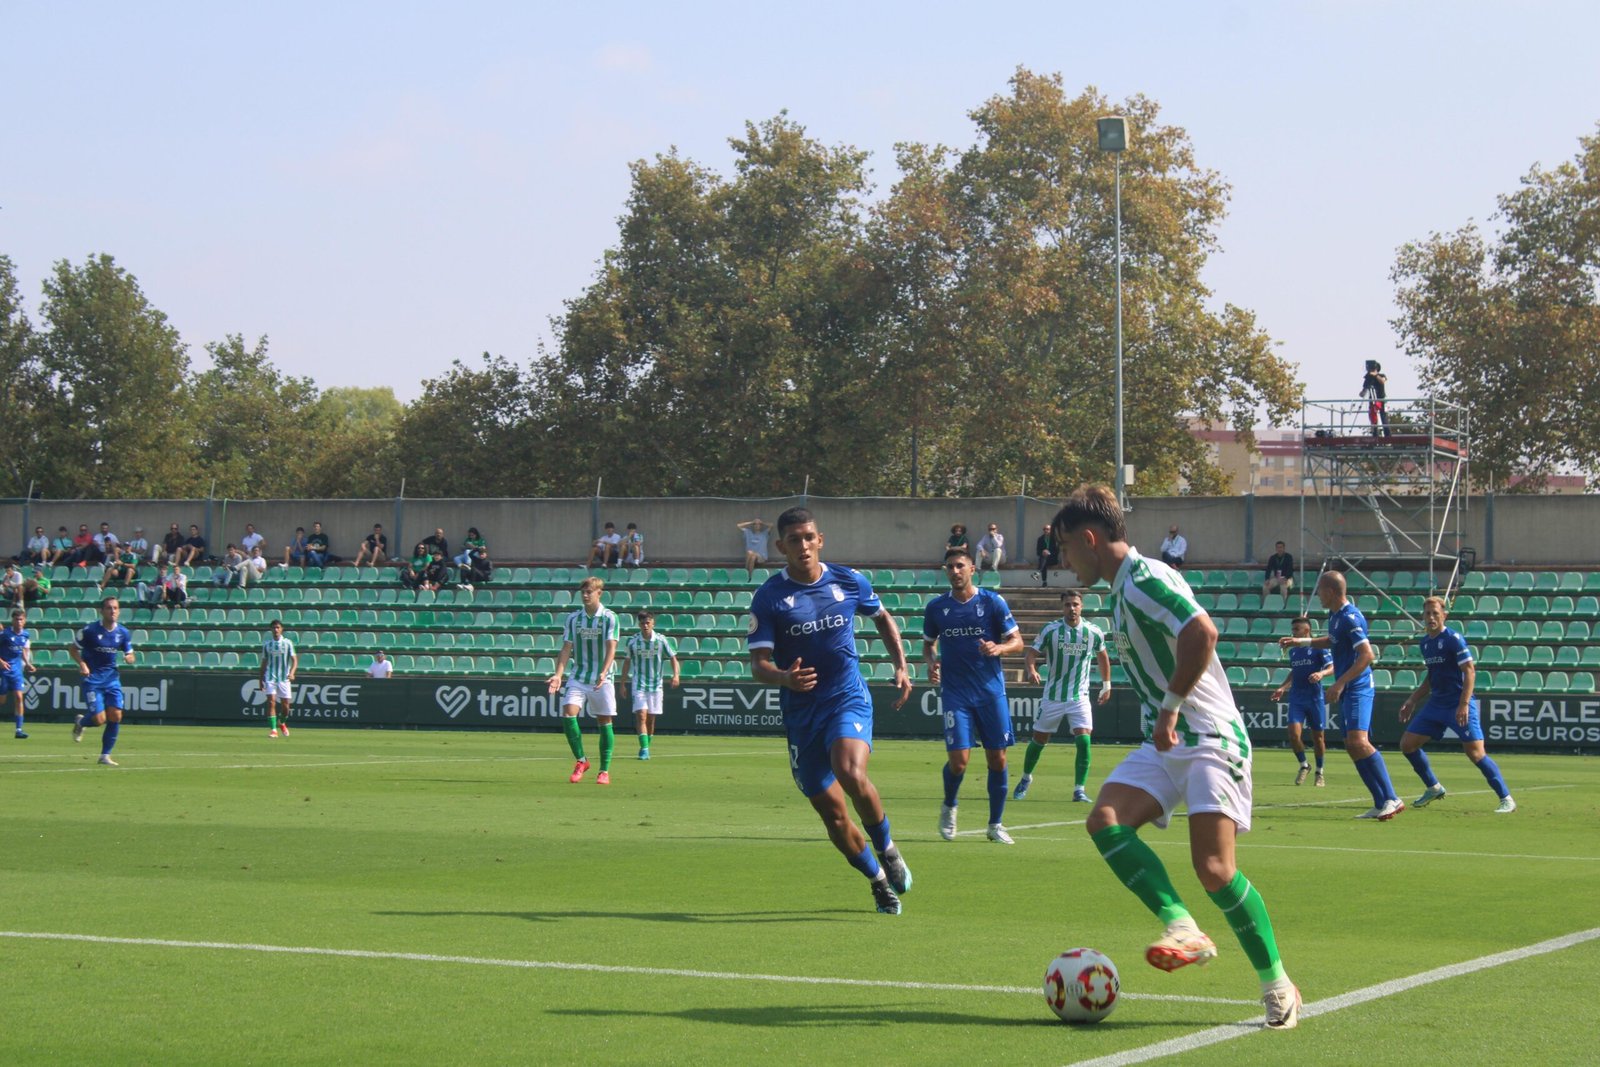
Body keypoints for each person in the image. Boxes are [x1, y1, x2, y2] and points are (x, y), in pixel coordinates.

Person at [1052, 484, 1300, 1030]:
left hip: (1208, 734)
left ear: (1090, 540)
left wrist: (1168, 708)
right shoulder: (1121, 589)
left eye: (1066, 547)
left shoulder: (1144, 580)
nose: (1064, 561)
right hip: (1166, 740)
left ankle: (1276, 983)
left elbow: (1201, 632)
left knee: (1215, 870)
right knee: (1106, 819)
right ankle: (1182, 924)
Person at [747, 507, 914, 915]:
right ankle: (877, 880)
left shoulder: (848, 579)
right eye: (794, 540)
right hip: (802, 715)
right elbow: (759, 664)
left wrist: (901, 665)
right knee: (834, 816)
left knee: (850, 770)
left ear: (820, 539)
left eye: (809, 537)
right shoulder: (769, 597)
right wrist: (785, 678)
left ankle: (888, 848)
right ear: (780, 546)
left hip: (846, 697)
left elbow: (883, 618)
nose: (803, 546)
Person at [1281, 570, 1403, 820]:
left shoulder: (1350, 617)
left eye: (1320, 592)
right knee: (1351, 745)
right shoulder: (1335, 616)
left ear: (1330, 592)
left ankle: (1392, 797)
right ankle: (1380, 803)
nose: (1319, 598)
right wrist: (1300, 642)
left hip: (1358, 686)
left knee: (1359, 742)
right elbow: (1333, 641)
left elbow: (1367, 655)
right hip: (1348, 687)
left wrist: (1339, 683)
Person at [922, 548, 1023, 844]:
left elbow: (1017, 641)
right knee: (959, 762)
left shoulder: (992, 602)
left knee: (998, 759)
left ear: (972, 570)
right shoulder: (936, 608)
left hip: (991, 692)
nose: (955, 571)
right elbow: (929, 646)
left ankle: (995, 824)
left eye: (960, 566)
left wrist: (999, 648)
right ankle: (949, 805)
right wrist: (931, 663)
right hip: (956, 694)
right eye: (950, 567)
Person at [1397, 597, 1515, 813]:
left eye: (1435, 613)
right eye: (1427, 614)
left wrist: (1464, 704)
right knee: (1407, 744)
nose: (1431, 617)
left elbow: (1469, 671)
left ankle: (1506, 798)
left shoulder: (1453, 639)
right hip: (1436, 703)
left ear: (1444, 615)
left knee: (1476, 753)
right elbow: (1431, 677)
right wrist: (1412, 699)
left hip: (1458, 703)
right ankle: (1433, 787)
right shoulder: (1425, 643)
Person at [1018, 588, 1111, 803]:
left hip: (1080, 697)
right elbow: (1031, 653)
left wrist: (1106, 685)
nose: (1072, 608)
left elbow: (1103, 657)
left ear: (1082, 606)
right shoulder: (1051, 630)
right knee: (1039, 741)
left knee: (1084, 741)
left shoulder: (1093, 632)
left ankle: (1079, 789)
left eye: (1075, 604)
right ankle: (1025, 777)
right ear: (1062, 607)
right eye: (1068, 604)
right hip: (1053, 696)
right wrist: (1031, 670)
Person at [547, 577, 621, 785]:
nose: (585, 595)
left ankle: (604, 770)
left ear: (600, 593)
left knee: (604, 722)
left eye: (589, 591)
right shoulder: (573, 619)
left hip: (602, 678)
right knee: (568, 714)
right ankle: (581, 760)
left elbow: (611, 647)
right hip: (579, 675)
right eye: (583, 592)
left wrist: (604, 671)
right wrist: (558, 675)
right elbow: (566, 648)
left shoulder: (610, 618)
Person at [69, 596, 136, 766]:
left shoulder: (123, 633)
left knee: (116, 715)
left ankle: (105, 755)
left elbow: (130, 652)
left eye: (115, 608)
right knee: (99, 720)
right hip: (92, 680)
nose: (112, 611)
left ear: (119, 611)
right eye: (109, 608)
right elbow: (73, 648)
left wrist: (129, 657)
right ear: (102, 611)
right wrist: (82, 664)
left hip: (112, 679)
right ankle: (81, 722)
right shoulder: (90, 630)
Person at [1269, 617, 1331, 787]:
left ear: (1306, 631)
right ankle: (1304, 765)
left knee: (1318, 738)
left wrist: (1321, 674)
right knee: (1293, 735)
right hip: (1297, 697)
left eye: (1297, 629)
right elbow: (1295, 672)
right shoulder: (1294, 651)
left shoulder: (1318, 648)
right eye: (1293, 629)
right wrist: (1282, 688)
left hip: (1314, 698)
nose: (1293, 632)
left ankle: (1320, 771)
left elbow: (1332, 667)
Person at [619, 609, 679, 760]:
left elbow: (673, 657)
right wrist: (622, 683)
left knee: (651, 718)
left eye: (647, 622)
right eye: (642, 623)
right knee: (641, 715)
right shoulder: (632, 641)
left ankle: (647, 743)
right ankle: (644, 748)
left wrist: (676, 675)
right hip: (639, 684)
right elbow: (626, 662)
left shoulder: (661, 640)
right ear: (639, 625)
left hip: (656, 685)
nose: (645, 625)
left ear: (653, 623)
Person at [0, 608, 36, 738]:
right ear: (12, 620)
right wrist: (1, 662)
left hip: (16, 671)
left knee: (19, 697)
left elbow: (23, 652)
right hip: (3, 670)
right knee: (1, 700)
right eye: (16, 619)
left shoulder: (25, 635)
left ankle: (19, 730)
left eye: (21, 619)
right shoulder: (5, 634)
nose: (19, 622)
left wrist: (27, 663)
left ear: (25, 620)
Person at [260, 619, 298, 738]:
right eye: (273, 628)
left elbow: (295, 660)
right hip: (270, 677)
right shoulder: (267, 645)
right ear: (271, 629)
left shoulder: (288, 643)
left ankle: (281, 722)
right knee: (271, 702)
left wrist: (292, 672)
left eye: (278, 627)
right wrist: (260, 679)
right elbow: (264, 663)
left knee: (286, 706)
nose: (276, 630)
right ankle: (273, 730)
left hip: (284, 678)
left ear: (281, 629)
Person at [1361, 359, 1390, 438]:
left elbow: (1382, 381)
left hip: (1381, 399)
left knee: (1383, 417)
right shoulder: (1368, 378)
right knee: (1373, 418)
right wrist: (1363, 391)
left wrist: (1375, 375)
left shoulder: (1382, 375)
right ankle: (1375, 435)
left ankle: (1387, 436)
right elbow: (1363, 392)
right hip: (1372, 400)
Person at [1262, 541, 1295, 607]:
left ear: (1284, 548)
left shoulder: (1289, 557)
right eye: (1278, 547)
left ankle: (1283, 605)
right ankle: (1267, 604)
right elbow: (1268, 569)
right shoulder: (1273, 558)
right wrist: (1267, 579)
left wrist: (1285, 578)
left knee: (1283, 588)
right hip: (1277, 578)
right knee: (1265, 587)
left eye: (1281, 547)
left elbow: (1290, 569)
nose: (1279, 549)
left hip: (1288, 579)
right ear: (1276, 549)